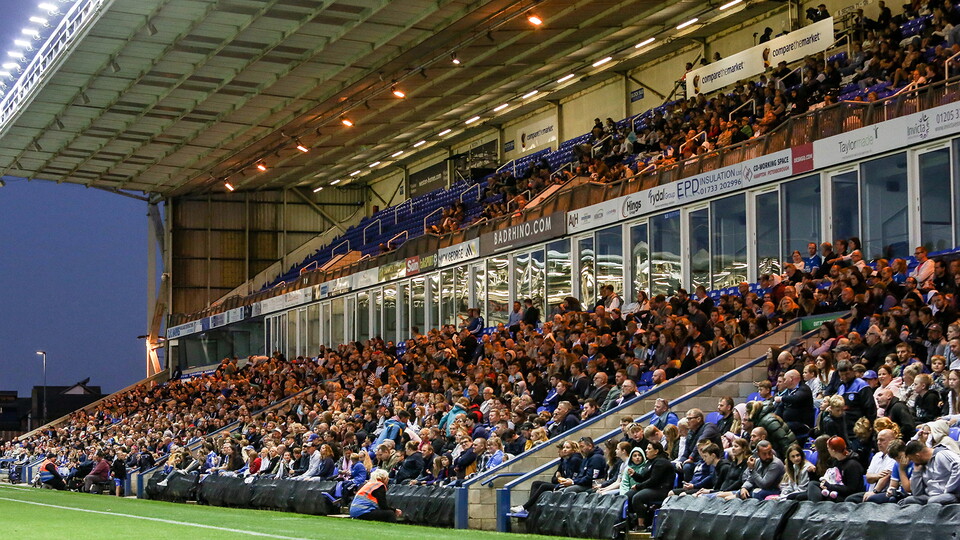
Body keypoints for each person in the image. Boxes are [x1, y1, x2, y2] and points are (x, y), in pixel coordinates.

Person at [627, 442, 675, 531]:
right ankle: (631, 521)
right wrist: (634, 475)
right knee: (628, 495)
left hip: (662, 490)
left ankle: (641, 525)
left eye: (649, 449)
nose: (646, 451)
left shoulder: (661, 462)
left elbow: (654, 481)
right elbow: (644, 478)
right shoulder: (650, 462)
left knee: (638, 497)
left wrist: (638, 487)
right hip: (652, 488)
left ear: (656, 451)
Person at [899, 439, 960, 505]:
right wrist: (916, 472)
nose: (913, 462)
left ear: (917, 456)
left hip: (952, 494)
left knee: (932, 501)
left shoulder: (942, 454)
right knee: (908, 500)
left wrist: (949, 490)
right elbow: (917, 494)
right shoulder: (922, 464)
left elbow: (958, 466)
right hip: (930, 497)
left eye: (912, 459)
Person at [804, 436, 864, 502]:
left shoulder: (852, 465)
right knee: (813, 484)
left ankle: (816, 507)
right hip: (835, 489)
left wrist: (830, 486)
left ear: (833, 450)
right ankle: (815, 506)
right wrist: (824, 483)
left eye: (828, 448)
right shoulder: (836, 461)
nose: (828, 450)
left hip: (848, 495)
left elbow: (851, 489)